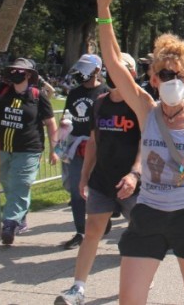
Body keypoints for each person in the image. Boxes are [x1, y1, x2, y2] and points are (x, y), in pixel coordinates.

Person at [96, 0, 184, 305]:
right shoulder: (147, 109)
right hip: (149, 214)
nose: (172, 80)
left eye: (179, 74)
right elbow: (114, 63)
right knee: (129, 299)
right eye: (164, 74)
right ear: (154, 78)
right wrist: (103, 11)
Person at [56, 52, 142, 305]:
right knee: (92, 231)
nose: (116, 73)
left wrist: (135, 174)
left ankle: (135, 288)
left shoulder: (140, 103)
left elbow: (144, 143)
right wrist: (84, 176)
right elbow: (93, 141)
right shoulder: (100, 102)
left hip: (132, 183)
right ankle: (77, 288)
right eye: (112, 69)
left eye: (123, 69)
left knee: (138, 234)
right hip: (102, 179)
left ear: (133, 74)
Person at [0, 45, 59, 245]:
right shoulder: (2, 91)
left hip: (29, 150)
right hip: (2, 149)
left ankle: (10, 223)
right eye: (12, 70)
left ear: (28, 75)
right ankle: (20, 215)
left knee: (21, 184)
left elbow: (50, 122)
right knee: (7, 183)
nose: (15, 73)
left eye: (20, 71)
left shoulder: (38, 96)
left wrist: (55, 149)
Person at [58, 54, 110, 250]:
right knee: (76, 190)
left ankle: (104, 220)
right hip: (76, 148)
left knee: (99, 189)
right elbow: (67, 117)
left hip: (98, 147)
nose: (80, 74)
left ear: (96, 70)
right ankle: (81, 231)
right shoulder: (74, 93)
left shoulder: (105, 92)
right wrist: (60, 142)